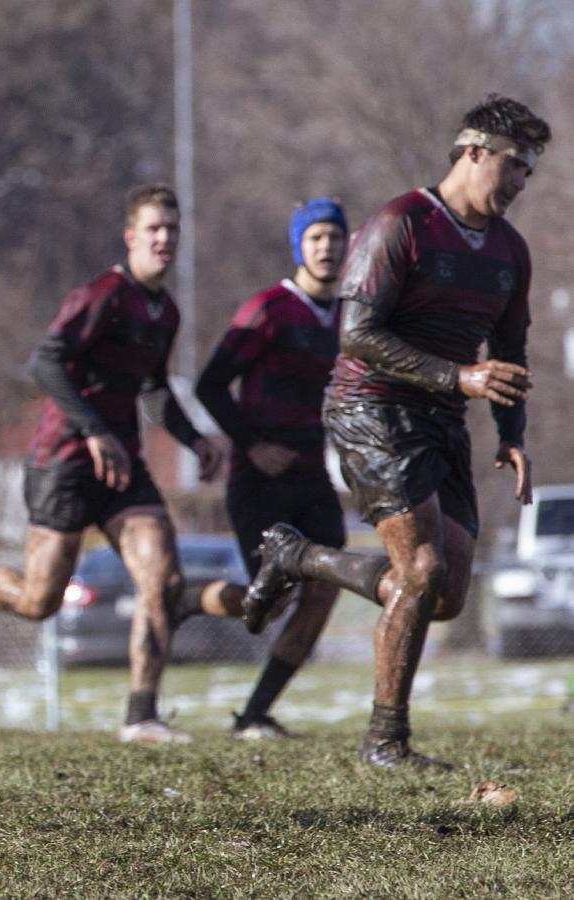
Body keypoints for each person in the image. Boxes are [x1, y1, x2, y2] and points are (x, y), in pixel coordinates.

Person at [244, 96, 546, 769]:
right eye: (515, 165)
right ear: (473, 152)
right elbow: (356, 334)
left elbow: (511, 348)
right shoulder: (400, 223)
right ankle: (385, 742)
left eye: (530, 172)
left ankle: (299, 557)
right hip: (369, 405)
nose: (522, 181)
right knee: (422, 568)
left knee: (442, 594)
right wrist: (458, 378)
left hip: (440, 418)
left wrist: (512, 433)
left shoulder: (509, 251)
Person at [0, 183, 243, 745]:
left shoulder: (165, 311)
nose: (165, 238)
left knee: (161, 580)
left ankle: (141, 716)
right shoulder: (103, 295)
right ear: (131, 236)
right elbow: (45, 364)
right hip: (62, 461)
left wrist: (195, 439)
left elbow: (155, 392)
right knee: (39, 601)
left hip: (122, 467)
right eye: (154, 228)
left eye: (173, 229)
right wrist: (92, 431)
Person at [193, 199, 351, 740]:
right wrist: (252, 445)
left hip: (313, 477)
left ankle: (255, 714)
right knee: (273, 597)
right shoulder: (267, 309)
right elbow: (208, 384)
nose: (326, 247)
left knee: (325, 590)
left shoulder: (351, 316)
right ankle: (188, 597)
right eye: (315, 238)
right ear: (299, 247)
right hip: (259, 479)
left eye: (334, 237)